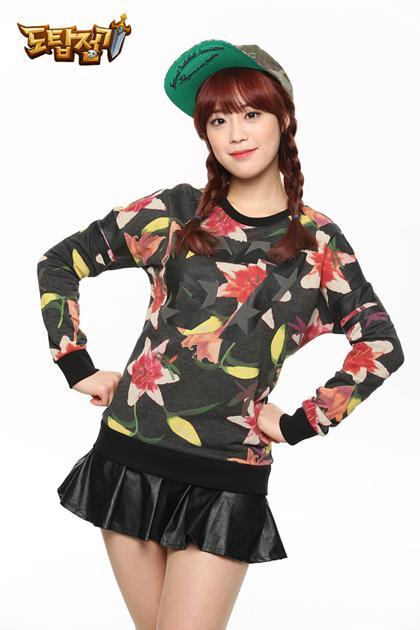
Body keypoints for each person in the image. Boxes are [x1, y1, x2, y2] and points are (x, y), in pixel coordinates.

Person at [36, 38, 405, 629]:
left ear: (283, 118)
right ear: (205, 134)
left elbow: (381, 344)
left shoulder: (318, 243)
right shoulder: (174, 213)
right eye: (218, 119)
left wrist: (303, 422)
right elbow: (59, 263)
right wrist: (75, 363)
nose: (236, 133)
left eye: (251, 113)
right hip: (129, 452)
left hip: (226, 473)